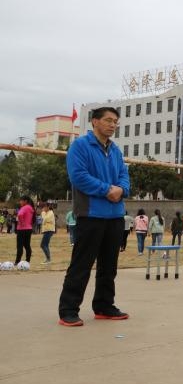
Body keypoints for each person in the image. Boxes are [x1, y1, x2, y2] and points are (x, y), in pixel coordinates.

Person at [58, 106, 130, 327]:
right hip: (90, 214)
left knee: (109, 266)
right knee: (81, 264)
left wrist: (122, 190)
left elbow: (124, 177)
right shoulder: (80, 146)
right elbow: (79, 177)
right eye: (108, 120)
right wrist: (107, 189)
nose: (112, 124)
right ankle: (68, 310)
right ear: (94, 122)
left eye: (115, 121)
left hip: (115, 216)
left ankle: (104, 306)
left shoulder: (116, 151)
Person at [14, 196, 35, 265]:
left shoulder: (24, 207)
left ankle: (17, 262)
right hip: (29, 229)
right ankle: (27, 261)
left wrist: (22, 223)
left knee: (19, 246)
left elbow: (20, 215)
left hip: (22, 229)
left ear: (25, 201)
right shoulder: (31, 208)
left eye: (21, 201)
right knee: (27, 245)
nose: (20, 202)